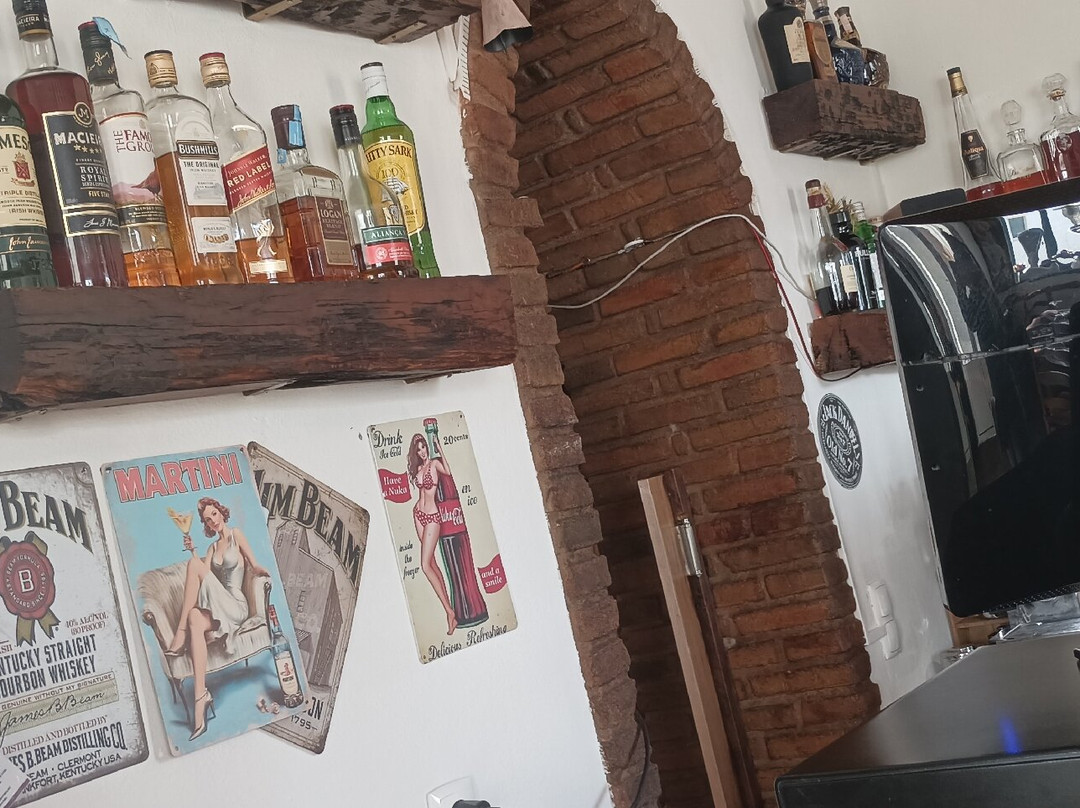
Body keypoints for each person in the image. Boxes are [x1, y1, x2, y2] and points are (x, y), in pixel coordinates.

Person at [164, 497, 272, 741]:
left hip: (236, 606)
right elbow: (204, 581)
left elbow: (253, 564)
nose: (212, 520)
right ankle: (200, 698)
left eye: (214, 514)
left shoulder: (236, 535)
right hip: (219, 605)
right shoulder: (212, 549)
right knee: (194, 616)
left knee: (194, 565)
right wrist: (193, 550)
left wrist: (260, 571)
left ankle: (180, 634)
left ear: (221, 512)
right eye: (207, 519)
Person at [406, 432, 457, 635]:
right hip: (418, 514)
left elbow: (448, 471)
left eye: (423, 447)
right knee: (432, 563)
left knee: (425, 566)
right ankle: (449, 608)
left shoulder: (435, 464)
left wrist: (439, 446)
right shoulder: (419, 468)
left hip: (433, 518)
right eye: (418, 449)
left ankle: (449, 613)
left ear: (428, 447)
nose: (422, 452)